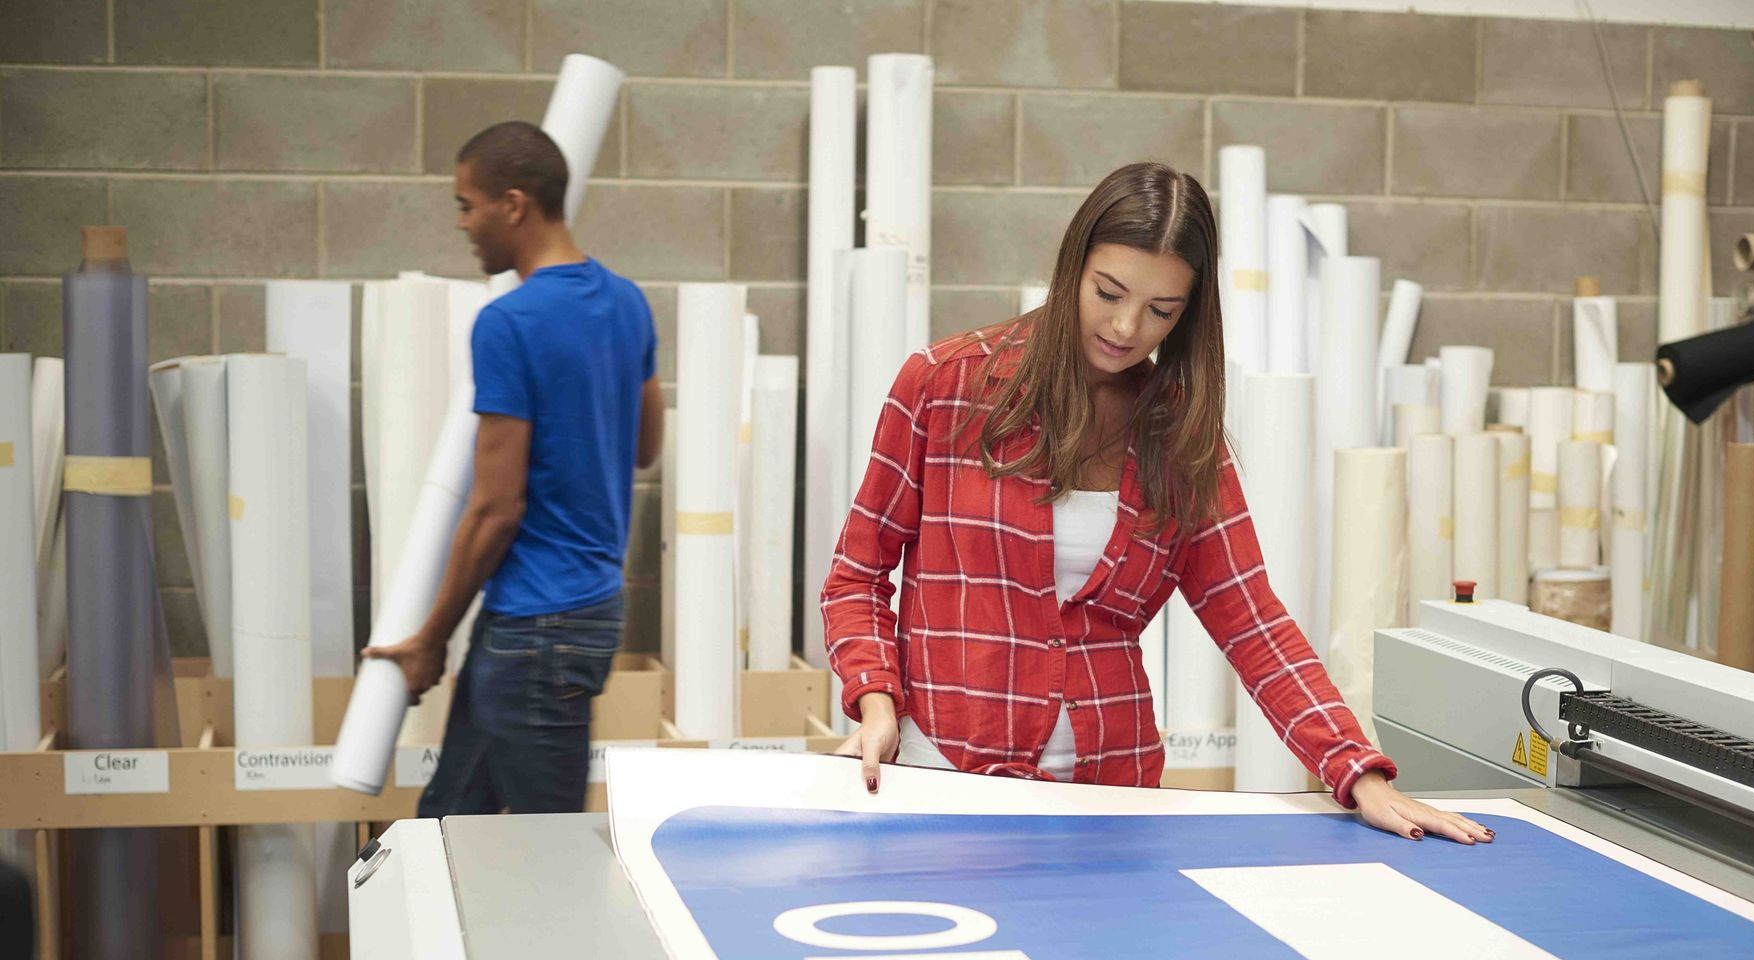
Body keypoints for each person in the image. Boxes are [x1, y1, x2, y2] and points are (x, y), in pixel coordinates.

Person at [824, 162, 1490, 845]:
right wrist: (877, 702)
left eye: (1161, 312)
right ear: (1072, 266)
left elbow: (1253, 622)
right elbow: (857, 574)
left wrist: (1358, 771)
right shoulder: (945, 385)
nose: (1124, 326)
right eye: (1108, 292)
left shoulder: (1178, 436)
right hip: (946, 782)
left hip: (1112, 803)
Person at [364, 122, 664, 817]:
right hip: (578, 612)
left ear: (515, 203)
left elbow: (497, 508)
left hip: (537, 628)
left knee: (549, 850)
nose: (464, 223)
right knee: (446, 827)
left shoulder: (509, 322)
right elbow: (646, 445)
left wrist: (430, 638)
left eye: (467, 204)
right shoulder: (626, 301)